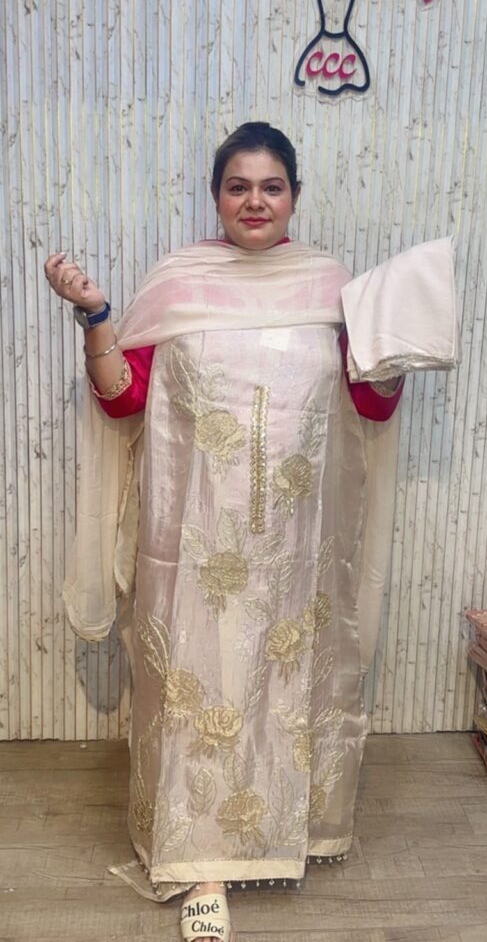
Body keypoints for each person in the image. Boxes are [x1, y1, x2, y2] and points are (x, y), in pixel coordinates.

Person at [45, 122, 455, 942]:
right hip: (192, 548)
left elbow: (369, 407)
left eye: (272, 187)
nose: (255, 201)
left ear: (294, 196)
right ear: (216, 197)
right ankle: (199, 865)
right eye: (239, 187)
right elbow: (124, 398)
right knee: (197, 690)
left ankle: (288, 830)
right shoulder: (178, 285)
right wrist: (97, 316)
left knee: (287, 688)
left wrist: (401, 345)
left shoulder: (331, 289)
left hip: (298, 550)